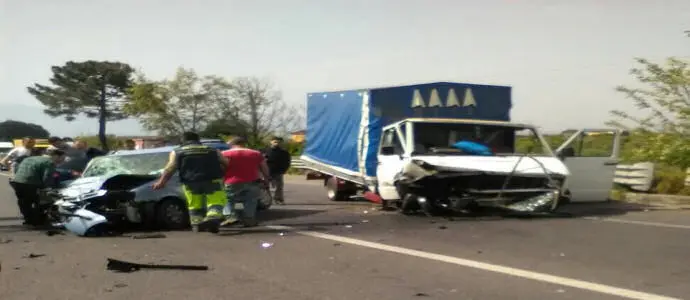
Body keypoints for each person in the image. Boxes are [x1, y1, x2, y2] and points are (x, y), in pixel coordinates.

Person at [152, 131, 229, 233]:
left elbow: (170, 168)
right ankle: (212, 218)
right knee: (216, 201)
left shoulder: (177, 151)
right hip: (213, 180)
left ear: (183, 140)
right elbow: (226, 163)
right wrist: (222, 172)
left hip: (190, 182)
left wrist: (162, 182)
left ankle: (197, 224)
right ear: (198, 140)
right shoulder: (212, 150)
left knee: (194, 204)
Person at [221, 136, 271, 227]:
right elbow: (264, 167)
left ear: (232, 144)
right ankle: (249, 219)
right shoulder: (256, 153)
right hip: (253, 181)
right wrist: (266, 179)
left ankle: (231, 216)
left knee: (229, 199)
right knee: (250, 201)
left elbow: (222, 168)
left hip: (232, 181)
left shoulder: (225, 154)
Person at [9, 148, 65, 226]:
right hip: (31, 184)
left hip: (17, 182)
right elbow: (47, 177)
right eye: (62, 158)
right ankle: (38, 220)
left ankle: (28, 220)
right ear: (56, 156)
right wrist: (49, 188)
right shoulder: (49, 162)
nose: (62, 160)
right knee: (44, 201)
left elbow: (17, 169)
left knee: (24, 202)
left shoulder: (28, 158)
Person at [263, 136, 291, 204]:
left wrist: (284, 170)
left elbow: (287, 162)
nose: (276, 143)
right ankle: (266, 200)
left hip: (278, 172)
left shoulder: (284, 152)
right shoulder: (265, 151)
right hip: (266, 171)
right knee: (265, 186)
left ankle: (278, 199)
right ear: (271, 142)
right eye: (275, 142)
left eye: (278, 142)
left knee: (279, 186)